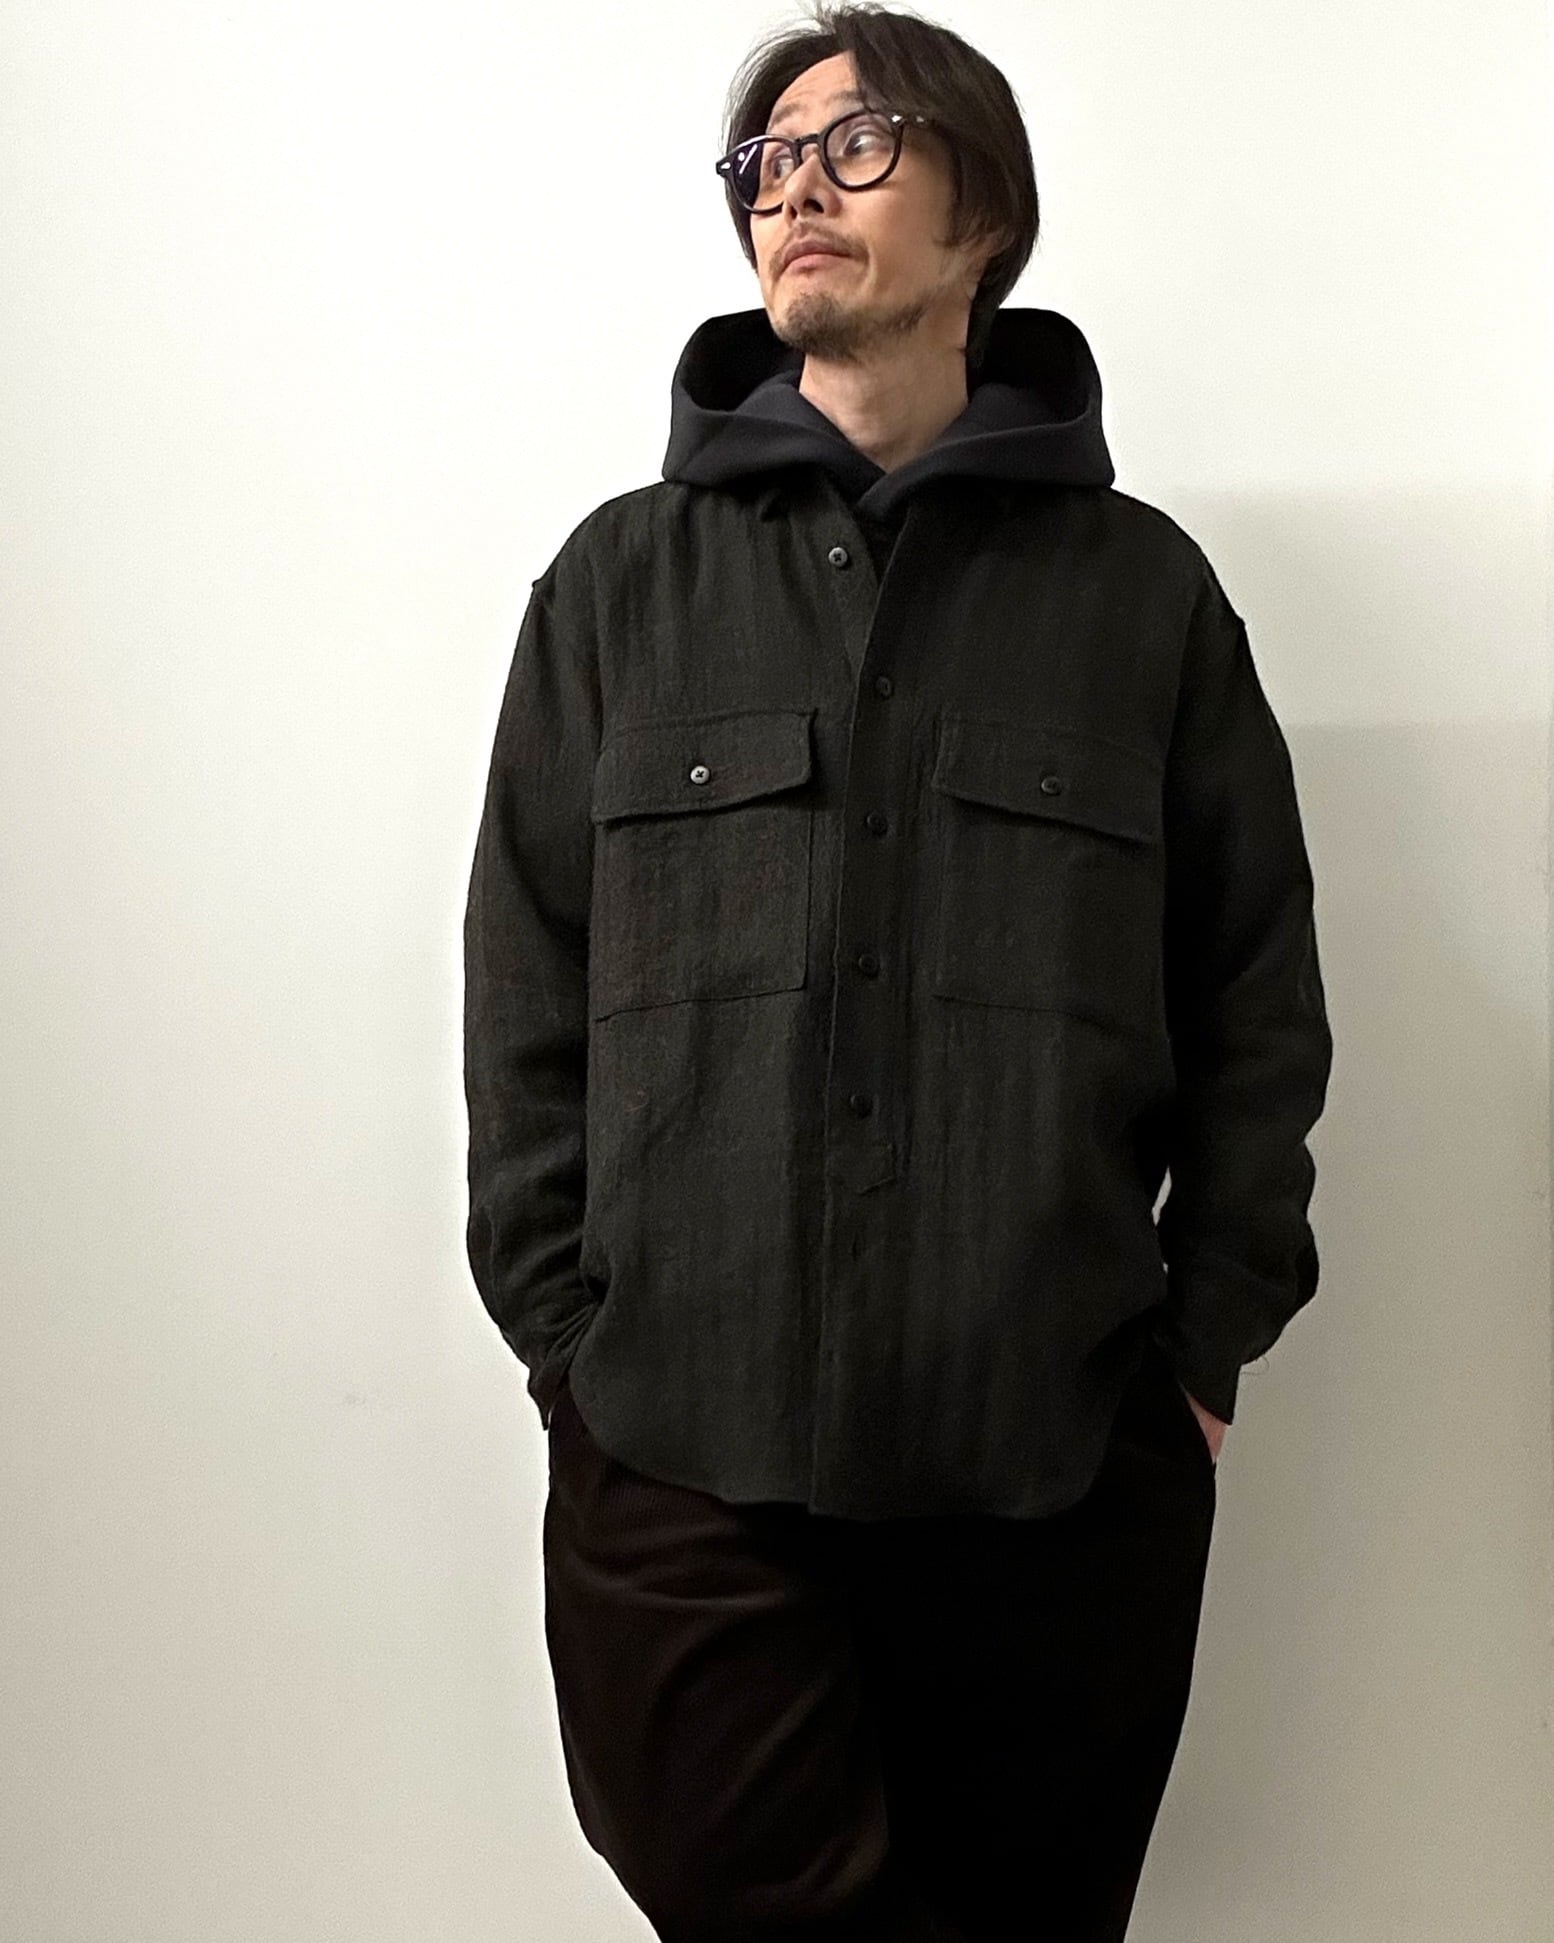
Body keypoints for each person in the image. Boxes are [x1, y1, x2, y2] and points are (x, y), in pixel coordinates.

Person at [462, 5, 1334, 1937]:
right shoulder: (620, 587)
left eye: (852, 146)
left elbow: (1254, 996)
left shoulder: (1141, 599)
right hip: (680, 1448)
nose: (793, 188)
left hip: (1051, 1457)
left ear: (984, 213)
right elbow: (524, 988)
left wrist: (1198, 1352)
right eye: (765, 160)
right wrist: (566, 1354)